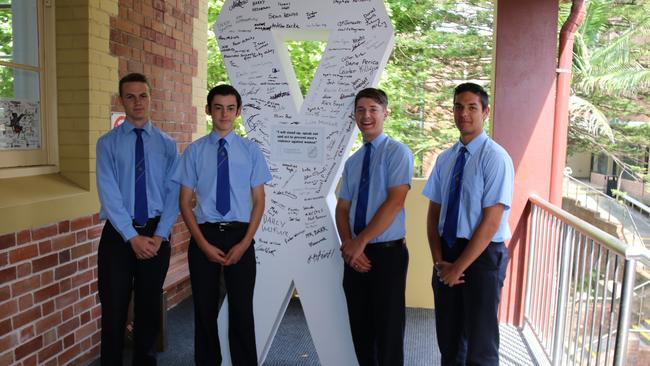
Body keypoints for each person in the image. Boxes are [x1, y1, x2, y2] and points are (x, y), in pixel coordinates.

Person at [176, 84, 271, 366]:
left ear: (238, 112)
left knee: (242, 312)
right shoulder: (194, 152)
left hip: (240, 236)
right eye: (218, 107)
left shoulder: (251, 151)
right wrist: (203, 245)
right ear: (208, 110)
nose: (224, 114)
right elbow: (184, 203)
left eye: (230, 108)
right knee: (204, 312)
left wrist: (244, 244)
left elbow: (259, 202)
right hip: (205, 236)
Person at [423, 82, 514, 365]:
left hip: (482, 257)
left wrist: (458, 268)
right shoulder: (445, 159)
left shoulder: (495, 158)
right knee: (449, 342)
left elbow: (491, 222)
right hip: (447, 254)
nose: (464, 113)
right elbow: (433, 213)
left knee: (480, 346)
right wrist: (440, 263)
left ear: (485, 112)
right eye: (459, 107)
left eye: (472, 107)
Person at [96, 72, 180, 365]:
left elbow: (174, 194)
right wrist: (131, 237)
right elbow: (109, 193)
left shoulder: (168, 145)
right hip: (119, 236)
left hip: (157, 235)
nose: (137, 102)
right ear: (122, 101)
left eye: (143, 95)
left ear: (150, 98)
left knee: (148, 310)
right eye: (130, 97)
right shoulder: (107, 144)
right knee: (114, 309)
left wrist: (160, 235)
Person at [335, 88, 414, 366]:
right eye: (360, 110)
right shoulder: (353, 162)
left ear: (385, 113)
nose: (366, 115)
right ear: (354, 115)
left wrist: (361, 242)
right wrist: (349, 246)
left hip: (387, 255)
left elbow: (395, 202)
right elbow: (342, 208)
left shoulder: (398, 153)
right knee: (361, 329)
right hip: (355, 256)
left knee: (389, 331)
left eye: (372, 109)